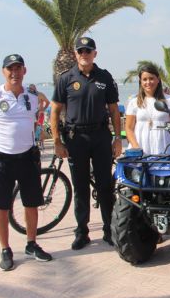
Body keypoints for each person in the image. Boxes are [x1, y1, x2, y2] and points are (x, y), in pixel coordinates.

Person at [0, 54, 52, 271]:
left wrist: (41, 98)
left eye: (18, 68)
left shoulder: (31, 95)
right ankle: (5, 249)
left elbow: (44, 101)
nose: (14, 73)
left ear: (24, 71)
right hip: (2, 160)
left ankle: (31, 243)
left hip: (27, 157)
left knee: (32, 203)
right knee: (1, 207)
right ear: (3, 72)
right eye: (10, 69)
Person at [50, 36, 122, 250]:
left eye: (88, 51)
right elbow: (54, 111)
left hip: (100, 137)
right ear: (76, 54)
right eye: (81, 51)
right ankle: (82, 232)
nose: (84, 54)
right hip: (76, 139)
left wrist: (118, 138)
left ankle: (110, 230)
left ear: (95, 54)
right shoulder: (66, 78)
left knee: (105, 186)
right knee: (80, 187)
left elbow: (114, 110)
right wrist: (56, 141)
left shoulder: (105, 77)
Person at [125, 64, 170, 154]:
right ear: (140, 81)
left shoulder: (169, 100)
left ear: (158, 79)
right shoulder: (134, 102)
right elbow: (128, 128)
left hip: (165, 145)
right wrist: (136, 147)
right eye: (144, 79)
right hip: (141, 147)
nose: (148, 82)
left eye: (151, 78)